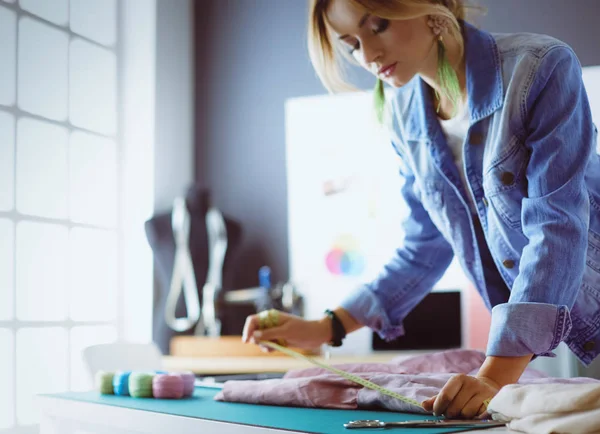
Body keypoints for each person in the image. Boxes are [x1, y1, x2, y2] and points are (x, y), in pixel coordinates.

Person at [242, 0, 600, 420]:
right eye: (351, 43)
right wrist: (325, 327)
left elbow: (555, 227)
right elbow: (424, 245)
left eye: (378, 25)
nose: (368, 55)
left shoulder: (539, 68)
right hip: (534, 345)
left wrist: (493, 375)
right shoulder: (404, 112)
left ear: (433, 7)